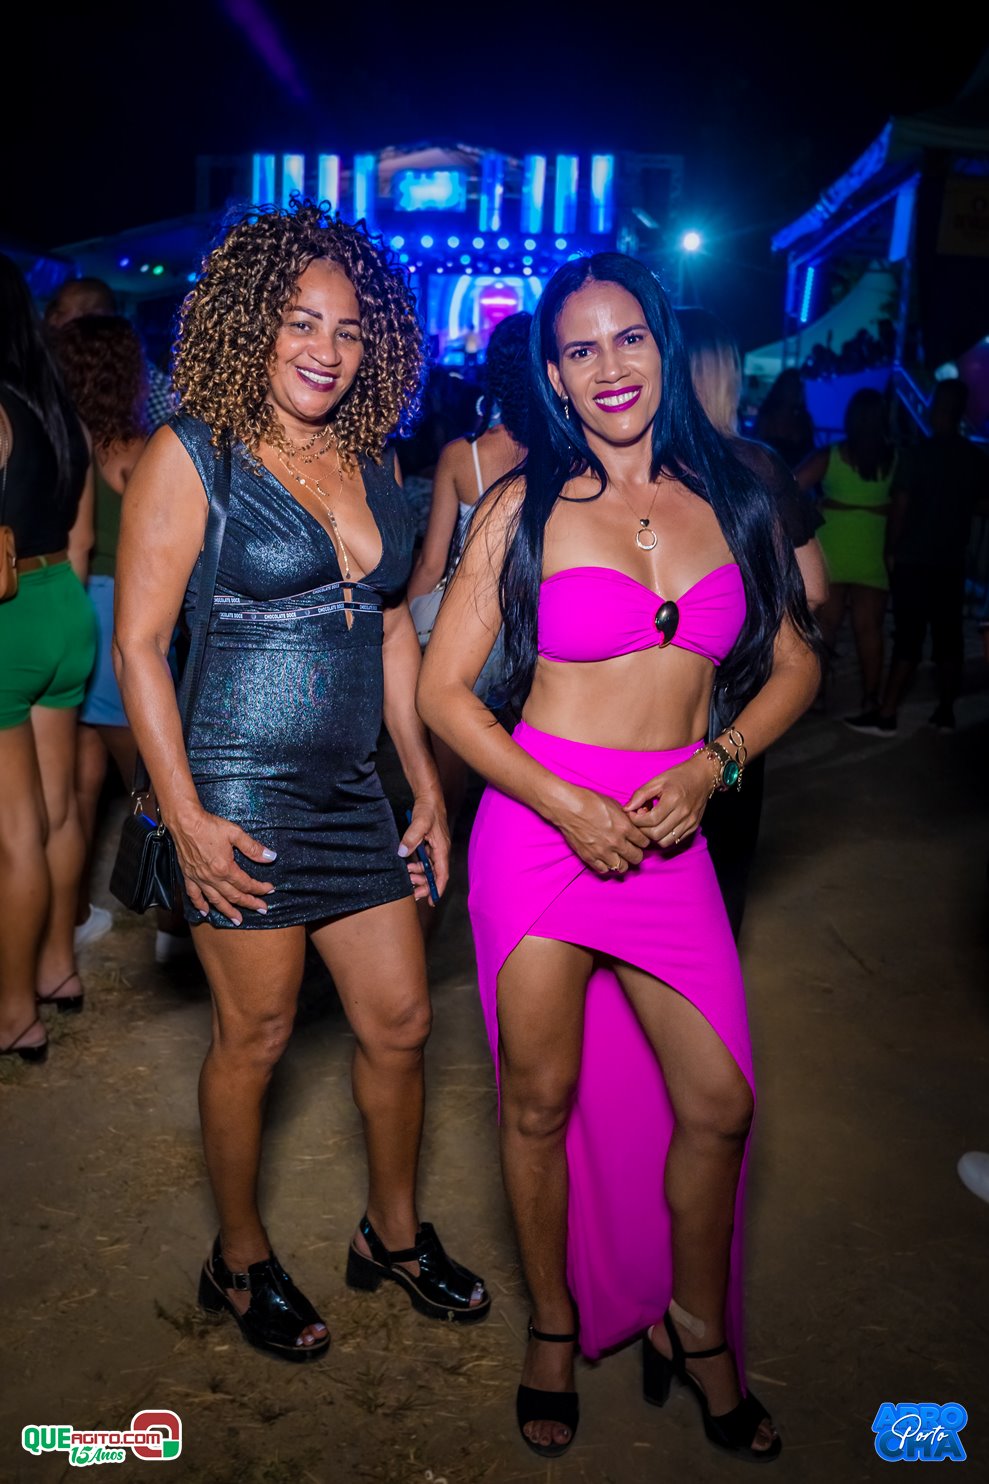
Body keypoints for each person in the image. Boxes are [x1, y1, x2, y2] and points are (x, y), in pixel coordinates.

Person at [418, 252, 819, 1460]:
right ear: (552, 372)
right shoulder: (520, 507)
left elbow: (795, 662)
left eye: (628, 337)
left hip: (669, 834)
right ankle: (553, 1321)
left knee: (719, 1101)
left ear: (661, 344)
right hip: (540, 831)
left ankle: (693, 1320)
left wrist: (715, 762)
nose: (608, 366)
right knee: (538, 1100)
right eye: (579, 348)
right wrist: (563, 803)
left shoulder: (734, 495)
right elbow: (443, 692)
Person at [112, 200, 489, 1361]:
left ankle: (392, 1231)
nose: (326, 349)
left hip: (352, 792)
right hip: (238, 793)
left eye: (349, 328)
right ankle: (238, 1254)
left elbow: (390, 630)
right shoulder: (194, 451)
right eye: (300, 321)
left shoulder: (369, 455)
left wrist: (422, 782)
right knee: (258, 1032)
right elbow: (139, 645)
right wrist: (185, 815)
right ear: (250, 322)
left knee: (401, 1020)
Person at [677, 306, 827, 936]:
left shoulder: (632, 467)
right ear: (725, 377)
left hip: (644, 701)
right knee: (723, 869)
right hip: (738, 702)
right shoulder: (756, 466)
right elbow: (814, 588)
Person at [0, 252, 96, 1061]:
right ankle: (58, 968)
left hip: (9, 618)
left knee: (13, 832)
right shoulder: (60, 406)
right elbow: (83, 534)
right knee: (58, 808)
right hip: (65, 601)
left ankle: (12, 1013)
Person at [407, 311, 530, 826]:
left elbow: (433, 563)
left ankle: (442, 841)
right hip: (535, 628)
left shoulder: (463, 457)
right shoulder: (570, 457)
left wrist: (400, 625)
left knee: (448, 768)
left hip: (469, 625)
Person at [846, 378, 989, 736]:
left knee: (908, 637)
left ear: (937, 407)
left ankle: (887, 714)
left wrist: (890, 549)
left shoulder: (918, 454)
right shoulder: (974, 457)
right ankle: (945, 711)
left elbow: (901, 505)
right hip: (951, 559)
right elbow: (983, 504)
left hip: (914, 557)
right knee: (949, 638)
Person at [795, 387, 897, 722]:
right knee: (869, 630)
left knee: (826, 628)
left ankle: (817, 697)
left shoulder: (831, 455)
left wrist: (816, 508)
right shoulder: (894, 459)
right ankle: (870, 698)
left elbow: (790, 484)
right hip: (872, 550)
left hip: (833, 550)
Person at [45, 276, 175, 433]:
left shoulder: (150, 387)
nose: (52, 320)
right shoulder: (67, 375)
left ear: (94, 320)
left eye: (60, 313)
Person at [752, 368, 816, 471]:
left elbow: (810, 455)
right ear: (781, 389)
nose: (794, 391)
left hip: (799, 475)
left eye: (797, 386)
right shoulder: (768, 417)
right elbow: (757, 449)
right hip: (771, 474)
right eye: (790, 386)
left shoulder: (804, 420)